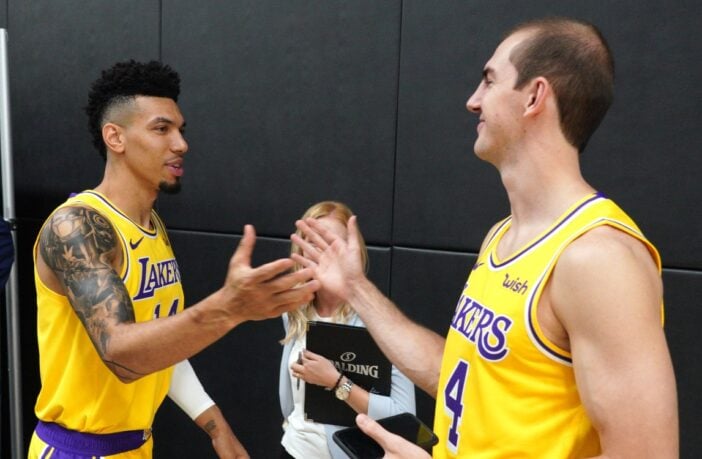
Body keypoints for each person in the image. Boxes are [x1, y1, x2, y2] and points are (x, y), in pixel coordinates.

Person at [292, 17, 678, 458]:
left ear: (535, 96)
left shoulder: (595, 258)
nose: (472, 101)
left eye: (489, 81)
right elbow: (458, 374)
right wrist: (356, 290)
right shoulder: (503, 236)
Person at [28, 60, 319, 459]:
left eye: (181, 130)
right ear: (115, 136)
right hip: (78, 449)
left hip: (138, 444)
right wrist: (229, 308)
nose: (181, 144)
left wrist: (215, 424)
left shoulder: (153, 227)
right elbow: (122, 354)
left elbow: (158, 346)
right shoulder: (77, 226)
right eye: (161, 129)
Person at [278, 201, 415, 459]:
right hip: (292, 449)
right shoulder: (294, 312)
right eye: (314, 242)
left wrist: (337, 383)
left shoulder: (378, 323)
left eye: (334, 243)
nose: (324, 253)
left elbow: (404, 415)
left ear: (355, 252)